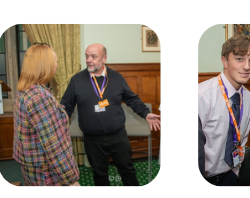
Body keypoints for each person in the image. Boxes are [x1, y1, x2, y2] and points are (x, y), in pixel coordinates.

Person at [60, 43, 160, 186]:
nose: (89, 60)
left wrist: (146, 113)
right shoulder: (77, 80)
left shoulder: (116, 77)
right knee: (100, 175)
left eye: (94, 57)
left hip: (118, 136)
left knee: (127, 170)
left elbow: (132, 99)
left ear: (104, 58)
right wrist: (56, 125)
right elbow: (66, 107)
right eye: (87, 56)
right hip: (92, 139)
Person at [13, 43, 79, 186]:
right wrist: (72, 180)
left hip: (34, 169)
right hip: (47, 173)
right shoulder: (39, 97)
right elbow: (55, 147)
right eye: (54, 60)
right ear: (45, 64)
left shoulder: (26, 90)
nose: (56, 65)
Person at [198, 36, 250, 186]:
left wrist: (235, 172)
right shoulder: (202, 96)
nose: (247, 67)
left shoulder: (248, 97)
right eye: (239, 59)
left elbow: (242, 138)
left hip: (231, 176)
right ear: (225, 61)